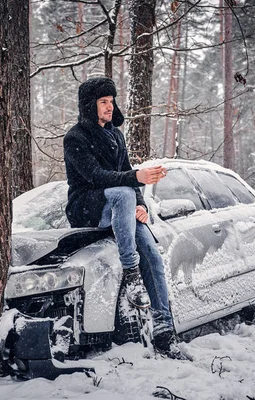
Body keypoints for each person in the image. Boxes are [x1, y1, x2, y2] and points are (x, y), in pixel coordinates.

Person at [63, 77, 181, 358]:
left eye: (111, 101)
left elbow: (125, 171)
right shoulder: (75, 137)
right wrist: (135, 182)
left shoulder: (116, 134)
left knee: (151, 252)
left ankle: (164, 329)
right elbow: (97, 177)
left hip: (120, 206)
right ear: (89, 105)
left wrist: (141, 205)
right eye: (103, 102)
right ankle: (131, 271)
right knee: (123, 194)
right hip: (87, 206)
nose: (109, 106)